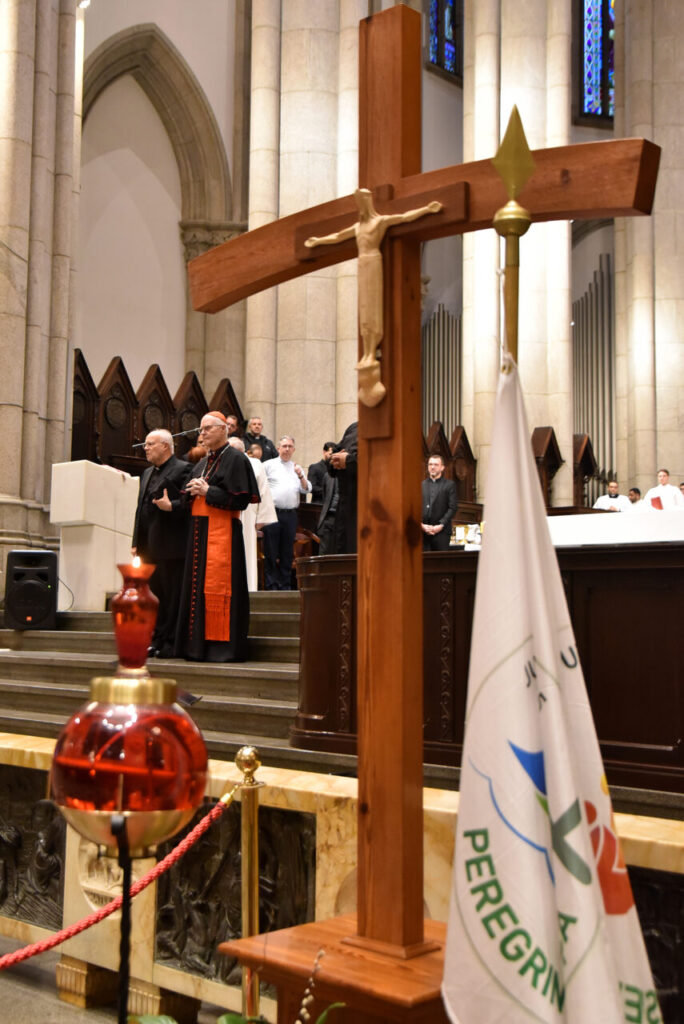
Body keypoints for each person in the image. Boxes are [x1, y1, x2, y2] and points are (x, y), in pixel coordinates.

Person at [305, 189, 442, 406]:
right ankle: (367, 353)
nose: (361, 207)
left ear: (368, 202)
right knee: (364, 309)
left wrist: (427, 209)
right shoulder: (357, 227)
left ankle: (371, 351)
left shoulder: (380, 222)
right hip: (362, 264)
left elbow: (404, 217)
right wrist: (317, 241)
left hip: (374, 261)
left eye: (363, 201)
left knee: (374, 308)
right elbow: (338, 237)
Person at [160, 411, 259, 663]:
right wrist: (182, 498)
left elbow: (241, 500)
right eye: (200, 430)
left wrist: (208, 491)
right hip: (198, 534)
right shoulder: (202, 463)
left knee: (218, 588)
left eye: (207, 429)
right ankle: (195, 646)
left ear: (224, 429)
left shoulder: (236, 458)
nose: (202, 434)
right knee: (195, 589)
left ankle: (219, 647)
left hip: (222, 532)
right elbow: (188, 497)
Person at [131, 429, 191, 658]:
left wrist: (170, 506)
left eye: (150, 444)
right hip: (148, 546)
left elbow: (187, 505)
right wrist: (136, 542)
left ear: (165, 446)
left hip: (171, 546)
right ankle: (154, 639)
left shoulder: (183, 469)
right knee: (152, 595)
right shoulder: (147, 472)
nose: (145, 448)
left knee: (171, 596)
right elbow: (140, 509)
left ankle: (170, 642)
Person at [228, 436, 277, 591]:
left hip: (248, 515)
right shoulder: (220, 463)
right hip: (225, 512)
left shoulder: (255, 464)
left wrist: (261, 520)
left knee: (247, 553)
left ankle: (248, 589)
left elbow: (263, 491)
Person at [262, 436, 311, 589]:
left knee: (287, 552)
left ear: (294, 450)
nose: (287, 449)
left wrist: (300, 475)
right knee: (271, 551)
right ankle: (271, 585)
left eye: (290, 446)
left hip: (290, 515)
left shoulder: (296, 468)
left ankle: (285, 585)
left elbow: (306, 489)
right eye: (284, 446)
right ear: (278, 448)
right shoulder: (268, 465)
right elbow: (259, 485)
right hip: (272, 513)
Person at [324, 422, 358, 554]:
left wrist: (348, 460)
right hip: (345, 503)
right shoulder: (353, 428)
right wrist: (334, 459)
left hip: (366, 502)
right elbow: (335, 452)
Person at [421, 454, 458, 550]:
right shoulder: (422, 485)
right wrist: (421, 525)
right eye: (430, 464)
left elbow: (452, 508)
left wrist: (441, 525)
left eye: (436, 465)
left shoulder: (449, 485)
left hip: (442, 533)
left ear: (442, 467)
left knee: (440, 559)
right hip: (423, 533)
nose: (432, 467)